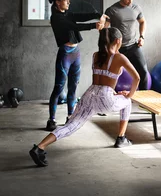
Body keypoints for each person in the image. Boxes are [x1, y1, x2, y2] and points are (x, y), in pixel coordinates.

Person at [29, 27, 140, 167]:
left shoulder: (96, 55)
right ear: (118, 41)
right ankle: (121, 138)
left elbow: (101, 81)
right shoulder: (119, 58)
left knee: (71, 126)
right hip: (106, 98)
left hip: (89, 94)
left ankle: (40, 147)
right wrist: (129, 94)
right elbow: (137, 78)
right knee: (127, 102)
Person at [46, 0, 108, 131]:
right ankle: (52, 119)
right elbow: (74, 26)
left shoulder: (68, 13)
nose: (68, 3)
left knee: (73, 88)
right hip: (65, 54)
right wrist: (94, 26)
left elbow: (80, 17)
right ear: (57, 2)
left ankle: (70, 116)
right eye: (66, 1)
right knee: (59, 88)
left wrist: (97, 15)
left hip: (76, 53)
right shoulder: (56, 18)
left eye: (69, 1)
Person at [104, 0, 149, 90]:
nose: (130, 1)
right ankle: (111, 100)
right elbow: (104, 30)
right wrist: (109, 46)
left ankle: (144, 100)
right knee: (112, 75)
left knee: (143, 72)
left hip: (133, 46)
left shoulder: (136, 8)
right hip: (118, 48)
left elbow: (142, 22)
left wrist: (142, 37)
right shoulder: (112, 10)